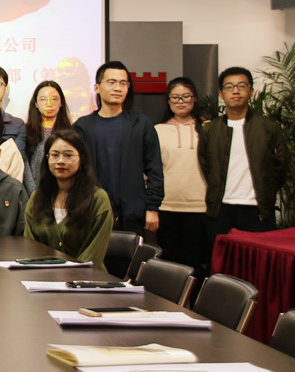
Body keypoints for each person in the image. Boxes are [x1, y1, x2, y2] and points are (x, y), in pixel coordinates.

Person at [72, 61, 163, 236]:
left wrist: (152, 207)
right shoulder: (82, 127)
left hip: (133, 215)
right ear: (97, 87)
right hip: (91, 213)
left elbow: (155, 168)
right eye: (111, 82)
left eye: (123, 83)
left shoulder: (140, 124)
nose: (118, 88)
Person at [198, 66, 288, 245]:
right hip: (221, 209)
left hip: (257, 209)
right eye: (229, 86)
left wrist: (267, 191)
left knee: (256, 260)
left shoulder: (269, 128)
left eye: (241, 85)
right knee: (222, 259)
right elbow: (206, 165)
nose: (236, 91)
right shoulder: (210, 130)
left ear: (251, 91)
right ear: (221, 94)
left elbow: (281, 166)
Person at [24, 129, 114, 271]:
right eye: (55, 155)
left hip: (86, 280)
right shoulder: (37, 198)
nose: (60, 161)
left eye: (68, 155)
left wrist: (68, 277)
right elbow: (30, 247)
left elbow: (93, 255)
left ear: (81, 158)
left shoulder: (98, 199)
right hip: (42, 278)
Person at [154, 77, 209, 276]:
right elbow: (151, 170)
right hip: (166, 206)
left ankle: (194, 297)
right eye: (175, 97)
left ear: (194, 99)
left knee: (195, 263)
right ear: (168, 101)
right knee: (170, 264)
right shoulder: (158, 130)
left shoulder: (207, 129)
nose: (180, 101)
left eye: (186, 96)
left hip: (200, 206)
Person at [24, 80, 72, 194]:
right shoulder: (26, 131)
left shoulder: (71, 132)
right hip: (33, 195)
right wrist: (34, 194)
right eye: (43, 99)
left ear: (61, 103)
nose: (49, 104)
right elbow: (25, 165)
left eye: (54, 99)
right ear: (36, 103)